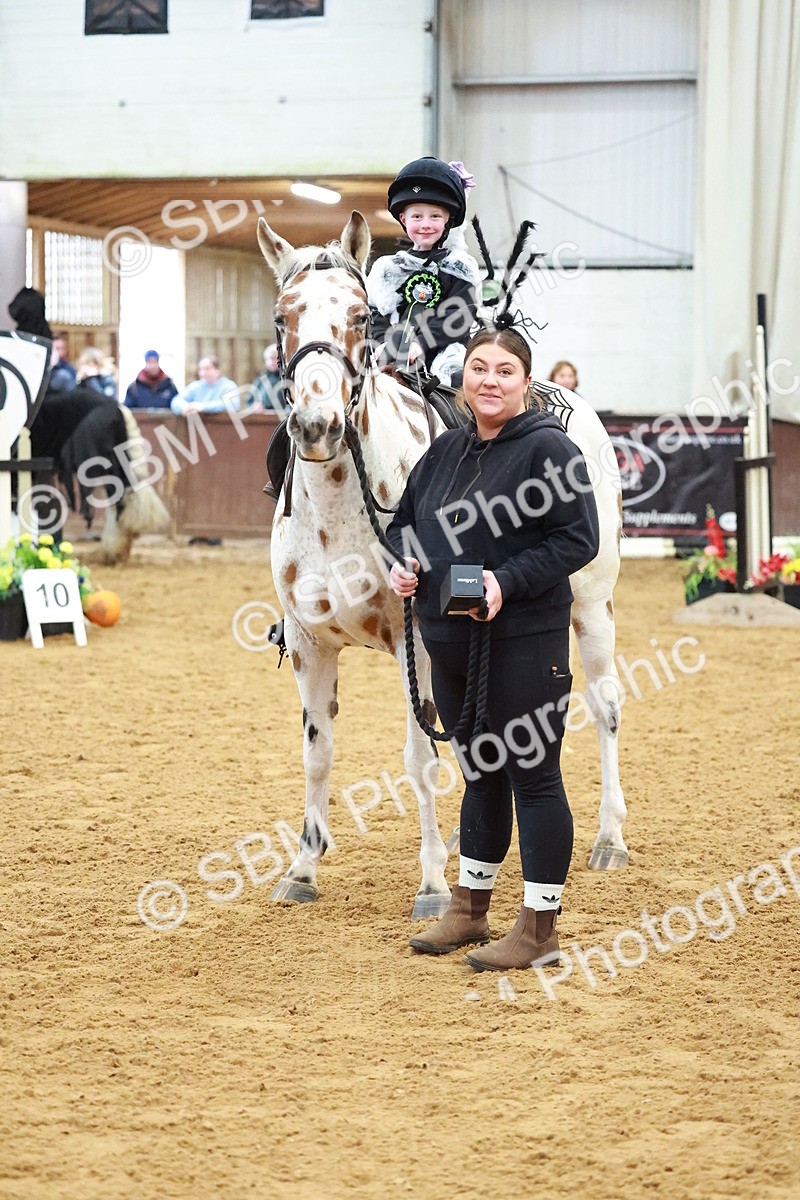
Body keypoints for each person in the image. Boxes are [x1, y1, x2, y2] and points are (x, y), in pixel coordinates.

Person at [387, 326, 599, 972]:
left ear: (526, 382)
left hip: (523, 642)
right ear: (464, 377)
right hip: (451, 643)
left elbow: (577, 539)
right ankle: (471, 907)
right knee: (480, 772)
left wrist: (507, 581)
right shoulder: (444, 449)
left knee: (533, 778)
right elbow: (403, 524)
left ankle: (539, 929)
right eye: (479, 367)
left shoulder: (549, 449)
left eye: (505, 370)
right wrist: (404, 564)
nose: (489, 380)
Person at [366, 157, 481, 387]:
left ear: (448, 219)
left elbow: (460, 315)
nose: (425, 224)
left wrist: (420, 343)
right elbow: (376, 313)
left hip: (443, 352)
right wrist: (382, 343)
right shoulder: (387, 268)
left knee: (461, 382)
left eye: (435, 216)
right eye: (417, 216)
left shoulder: (460, 266)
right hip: (391, 353)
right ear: (403, 219)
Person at [171, 355, 238, 415]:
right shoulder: (196, 386)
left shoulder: (229, 386)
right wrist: (184, 406)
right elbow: (176, 400)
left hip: (223, 424)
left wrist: (203, 407)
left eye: (207, 369)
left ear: (217, 370)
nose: (202, 373)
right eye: (200, 369)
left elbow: (233, 404)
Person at [248, 344, 290, 414]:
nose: (271, 362)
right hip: (262, 417)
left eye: (274, 358)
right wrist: (254, 407)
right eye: (268, 359)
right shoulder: (261, 379)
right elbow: (249, 402)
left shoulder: (288, 379)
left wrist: (274, 412)